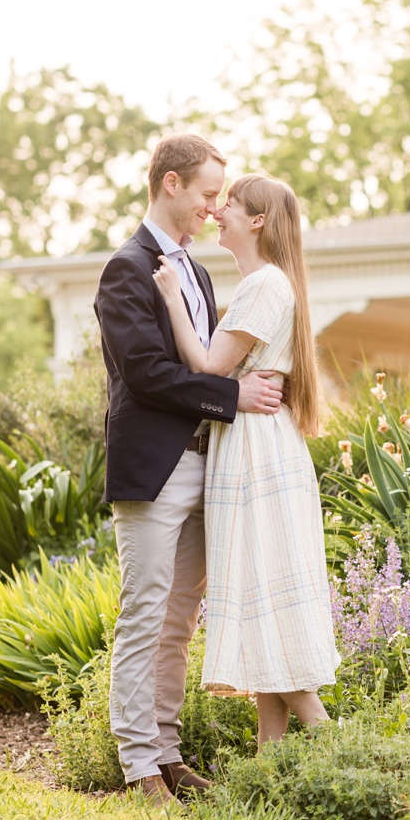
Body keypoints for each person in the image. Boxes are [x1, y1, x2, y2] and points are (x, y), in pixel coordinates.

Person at [94, 134, 285, 806]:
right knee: (144, 613)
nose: (214, 207)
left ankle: (169, 753)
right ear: (170, 185)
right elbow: (147, 375)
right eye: (207, 193)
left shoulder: (199, 276)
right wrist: (234, 397)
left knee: (179, 620)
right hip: (153, 471)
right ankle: (138, 764)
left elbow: (206, 355)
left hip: (207, 467)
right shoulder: (126, 269)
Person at [152, 173, 339, 745]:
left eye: (229, 204)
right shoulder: (267, 283)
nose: (218, 211)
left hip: (257, 453)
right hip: (257, 444)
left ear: (257, 220)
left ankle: (347, 753)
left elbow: (209, 365)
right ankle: (272, 768)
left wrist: (172, 300)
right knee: (264, 599)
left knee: (265, 600)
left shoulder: (264, 285)